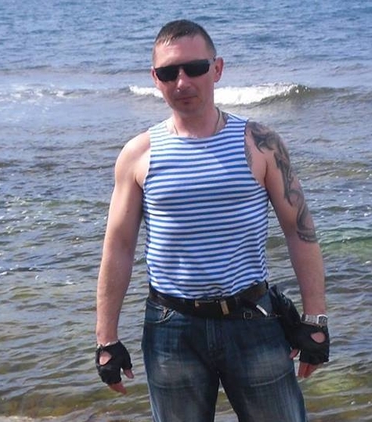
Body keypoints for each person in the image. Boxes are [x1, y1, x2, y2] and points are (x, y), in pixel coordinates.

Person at [95, 19, 329, 422]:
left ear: (217, 69)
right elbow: (118, 247)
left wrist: (315, 319)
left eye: (195, 68)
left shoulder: (260, 144)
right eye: (169, 72)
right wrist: (106, 339)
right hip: (171, 328)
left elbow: (299, 231)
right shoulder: (138, 154)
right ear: (155, 79)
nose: (182, 82)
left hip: (253, 320)